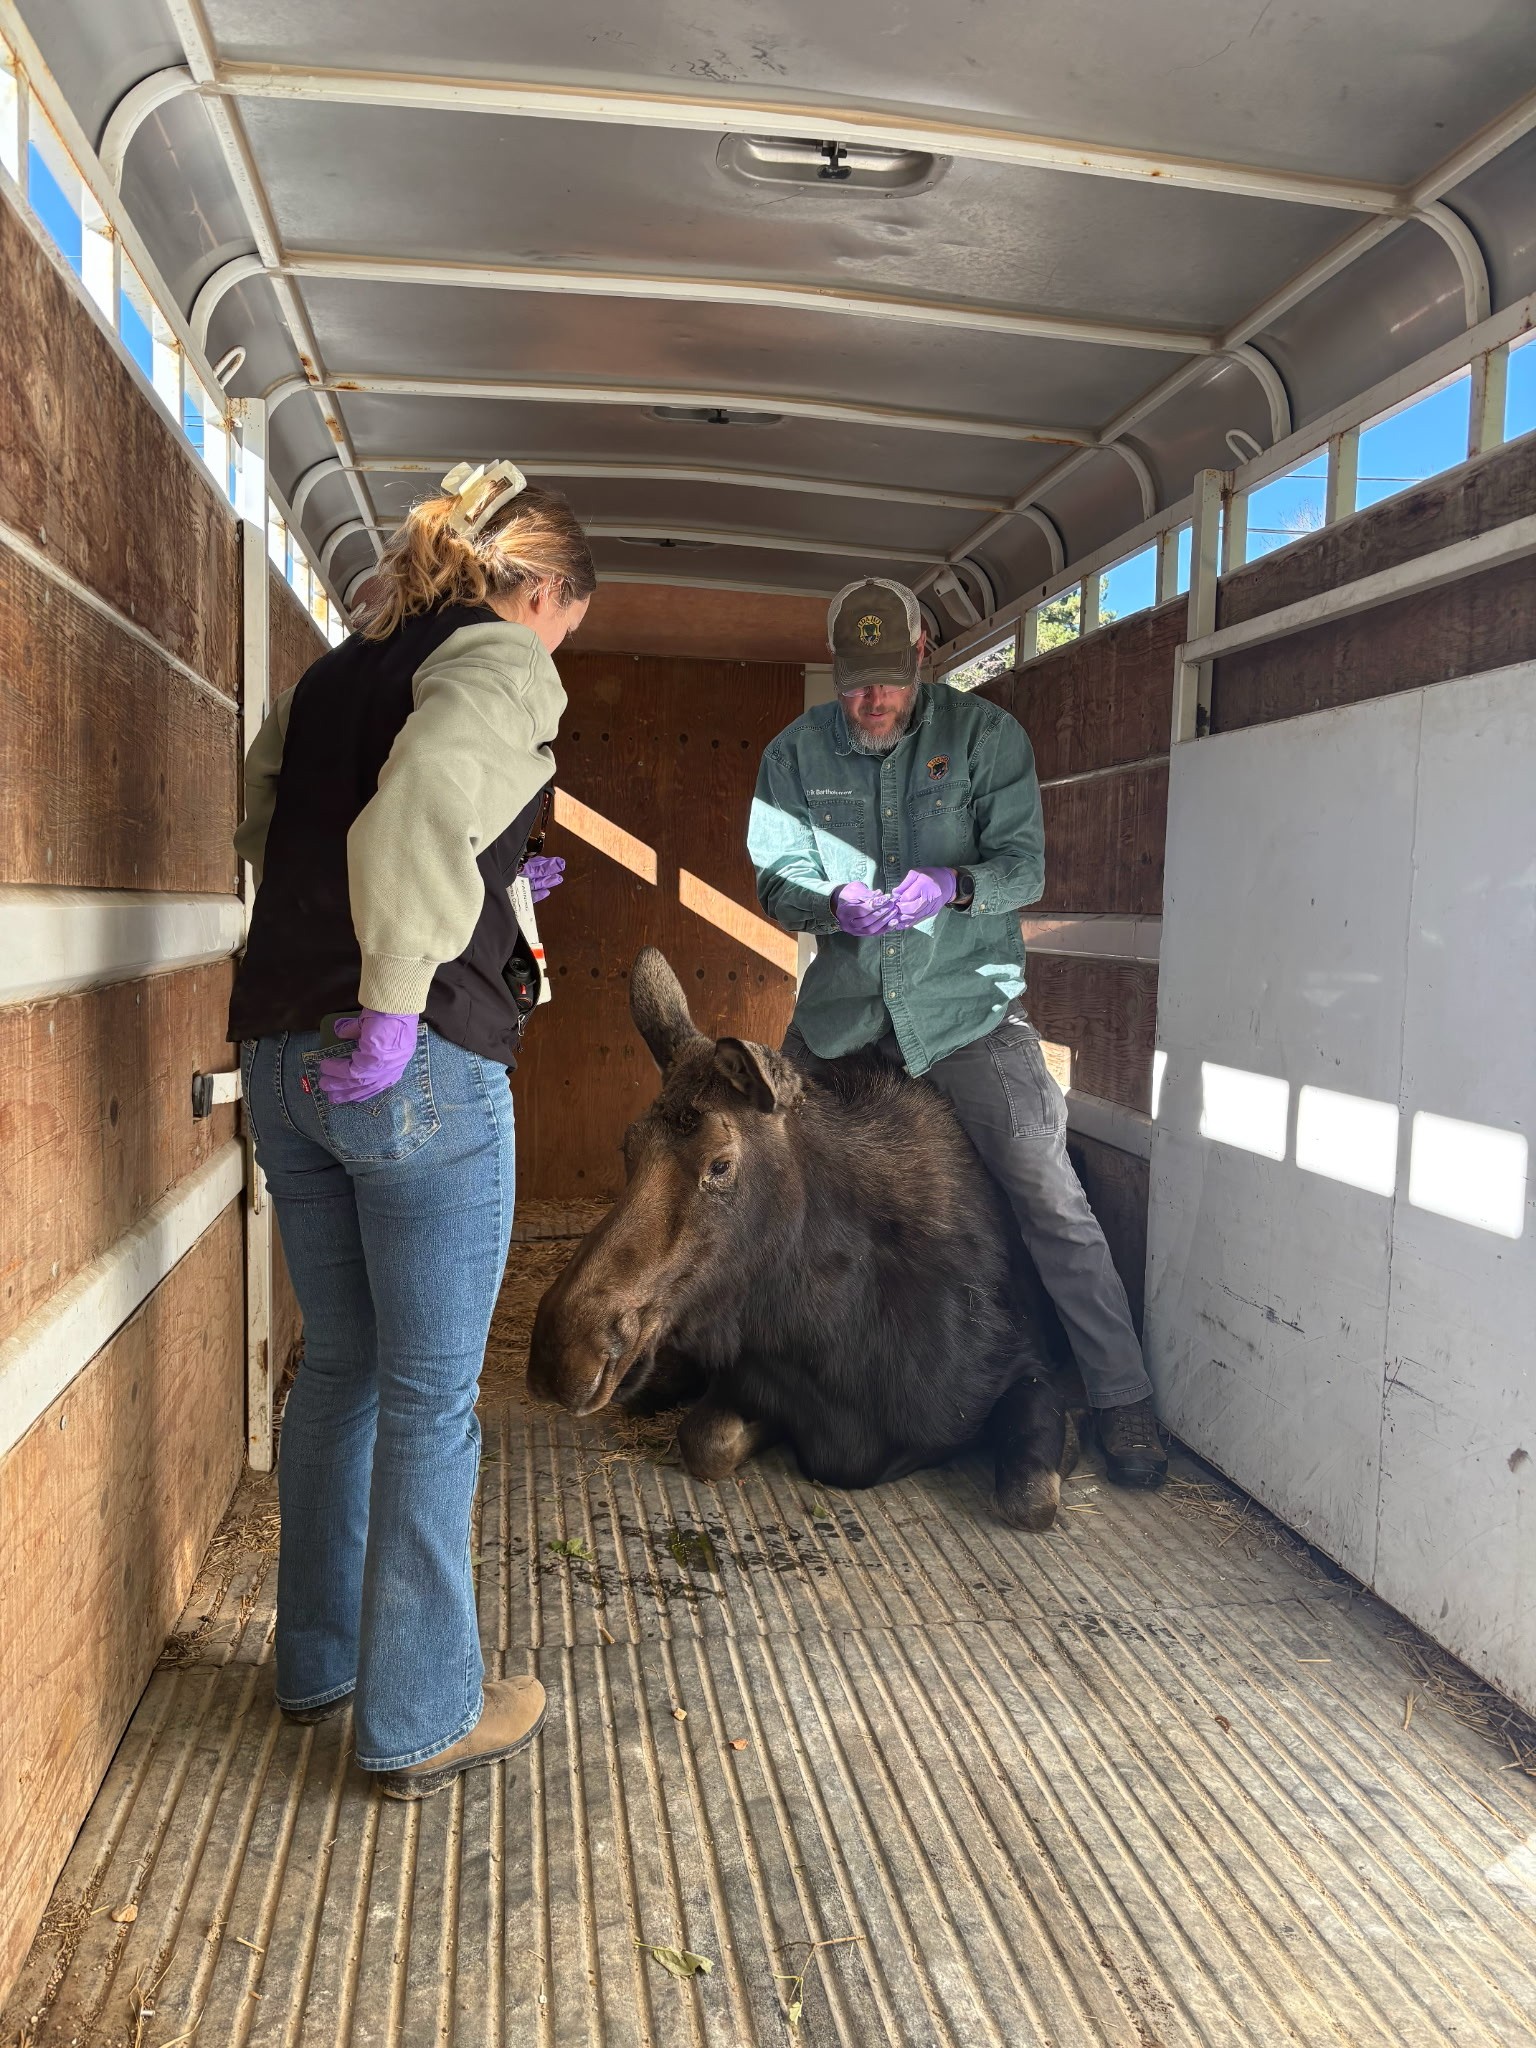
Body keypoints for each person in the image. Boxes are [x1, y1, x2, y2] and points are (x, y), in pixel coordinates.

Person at [228, 461, 594, 1798]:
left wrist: (470, 893)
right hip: (413, 1064)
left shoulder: (342, 664)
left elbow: (263, 809)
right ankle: (424, 1717)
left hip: (280, 1049)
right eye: (564, 625)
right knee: (435, 1402)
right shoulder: (497, 654)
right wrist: (393, 996)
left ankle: (319, 1664)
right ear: (543, 590)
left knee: (341, 1374)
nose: (555, 651)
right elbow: (431, 796)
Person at [748, 577, 1166, 1488]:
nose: (871, 700)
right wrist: (832, 903)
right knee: (761, 1169)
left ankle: (1121, 1393)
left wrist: (954, 885)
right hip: (845, 1010)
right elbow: (774, 884)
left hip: (966, 1008)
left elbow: (1025, 866)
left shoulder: (986, 739)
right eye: (854, 683)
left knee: (1043, 1183)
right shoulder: (792, 755)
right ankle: (753, 1378)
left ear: (923, 657)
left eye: (888, 680)